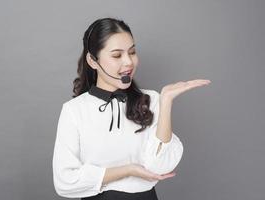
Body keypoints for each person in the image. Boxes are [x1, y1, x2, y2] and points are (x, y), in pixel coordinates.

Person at [52, 17, 211, 200]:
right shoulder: (74, 110)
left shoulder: (152, 100)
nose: (128, 62)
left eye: (132, 52)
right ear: (93, 60)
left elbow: (159, 167)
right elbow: (65, 181)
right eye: (117, 55)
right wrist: (127, 170)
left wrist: (165, 102)